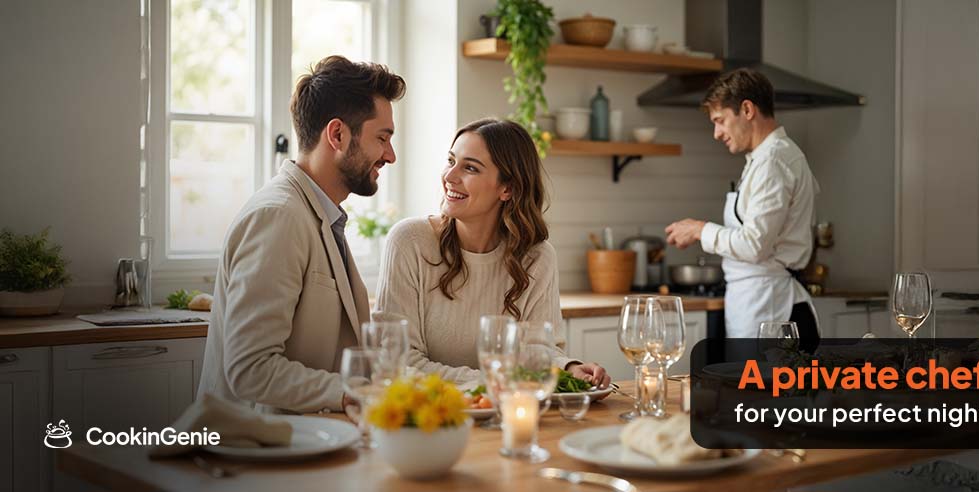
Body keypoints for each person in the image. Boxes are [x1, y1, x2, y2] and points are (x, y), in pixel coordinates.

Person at [198, 55, 405, 413]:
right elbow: (250, 369)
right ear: (337, 134)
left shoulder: (318, 213)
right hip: (257, 454)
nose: (390, 155)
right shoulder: (278, 217)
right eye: (382, 138)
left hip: (304, 445)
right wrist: (355, 392)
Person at [375, 118, 610, 388]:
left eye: (470, 168)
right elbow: (398, 362)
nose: (449, 177)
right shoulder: (409, 242)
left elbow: (538, 354)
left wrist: (570, 369)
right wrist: (493, 383)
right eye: (451, 161)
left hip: (505, 413)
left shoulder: (537, 258)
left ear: (507, 189)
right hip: (431, 417)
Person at [664, 68, 820, 345]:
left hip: (772, 310)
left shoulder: (774, 161)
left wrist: (700, 230)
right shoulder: (763, 160)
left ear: (747, 109)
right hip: (759, 303)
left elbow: (753, 245)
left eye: (720, 120)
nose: (716, 133)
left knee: (766, 389)